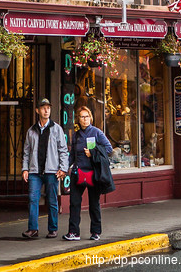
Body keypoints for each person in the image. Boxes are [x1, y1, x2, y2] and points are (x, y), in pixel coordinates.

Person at [63, 106, 113, 242]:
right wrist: (64, 168)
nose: (84, 119)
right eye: (81, 117)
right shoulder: (76, 135)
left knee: (94, 204)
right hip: (78, 173)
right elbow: (72, 154)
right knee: (74, 203)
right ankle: (73, 232)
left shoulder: (97, 132)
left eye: (86, 116)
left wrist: (93, 152)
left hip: (93, 173)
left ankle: (96, 232)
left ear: (90, 118)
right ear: (78, 119)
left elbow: (109, 148)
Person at [21, 98, 69, 240]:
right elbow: (26, 152)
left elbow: (63, 150)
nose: (46, 110)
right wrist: (25, 169)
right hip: (35, 171)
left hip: (51, 171)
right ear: (37, 111)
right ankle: (33, 229)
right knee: (33, 199)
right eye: (43, 108)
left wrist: (63, 168)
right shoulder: (31, 131)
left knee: (52, 200)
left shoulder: (57, 129)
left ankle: (53, 229)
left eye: (48, 107)